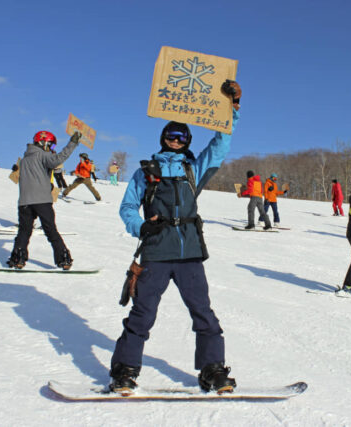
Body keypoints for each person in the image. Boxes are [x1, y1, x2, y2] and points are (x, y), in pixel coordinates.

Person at [109, 80, 242, 395]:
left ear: (188, 140)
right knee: (142, 313)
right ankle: (124, 371)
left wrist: (231, 109)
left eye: (182, 136)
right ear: (163, 137)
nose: (176, 139)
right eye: (171, 134)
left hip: (190, 253)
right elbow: (127, 207)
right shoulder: (146, 172)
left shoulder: (195, 169)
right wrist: (140, 226)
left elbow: (220, 144)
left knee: (203, 313)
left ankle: (212, 370)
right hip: (155, 251)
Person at [7, 130, 80, 270]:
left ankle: (18, 258)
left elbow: (23, 177)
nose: (52, 149)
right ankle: (64, 259)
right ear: (43, 142)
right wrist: (73, 143)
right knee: (51, 230)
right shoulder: (43, 155)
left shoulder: (24, 159)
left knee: (24, 231)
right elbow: (59, 158)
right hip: (41, 201)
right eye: (51, 146)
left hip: (24, 202)